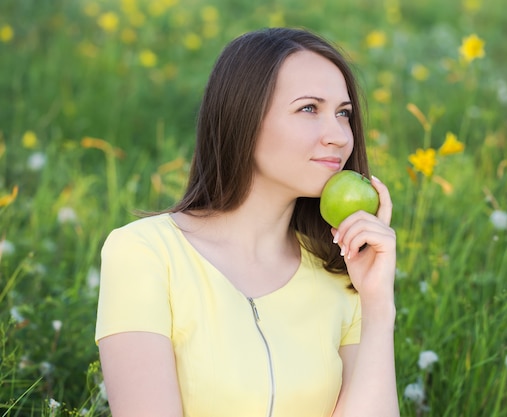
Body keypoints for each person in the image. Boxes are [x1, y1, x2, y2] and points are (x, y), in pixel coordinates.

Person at [95, 27, 399, 417]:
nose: (339, 136)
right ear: (244, 116)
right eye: (309, 108)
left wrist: (377, 305)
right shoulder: (145, 253)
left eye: (343, 114)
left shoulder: (342, 275)